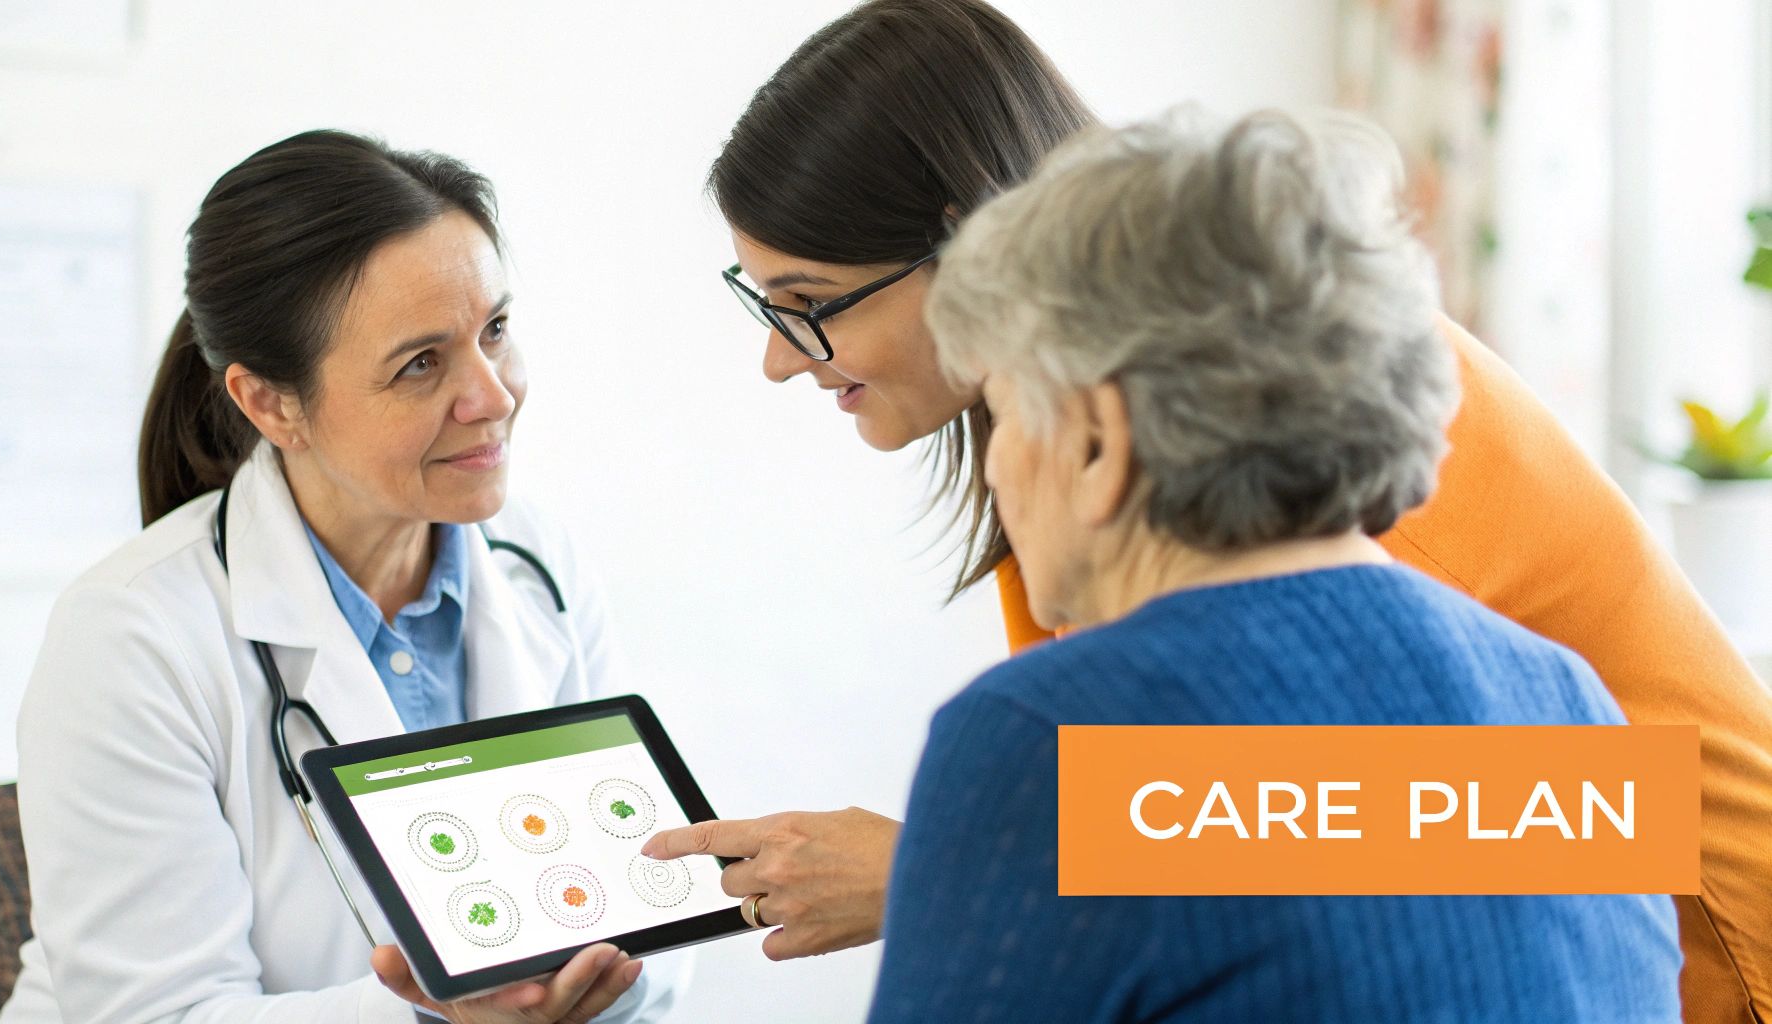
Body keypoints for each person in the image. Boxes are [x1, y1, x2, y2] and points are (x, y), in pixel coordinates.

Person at [643, 1, 1772, 1018]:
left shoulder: (1311, 417)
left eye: (808, 304)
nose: (780, 359)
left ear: (962, 238)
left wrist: (950, 862)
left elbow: (1525, 811)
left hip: (1710, 944)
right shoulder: (1075, 473)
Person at [866, 102, 1683, 1023]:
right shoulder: (1571, 702)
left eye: (1008, 412)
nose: (994, 466)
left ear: (1098, 440)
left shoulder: (1042, 736)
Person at [0, 131, 673, 1023]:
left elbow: (648, 924)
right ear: (271, 403)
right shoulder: (130, 636)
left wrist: (596, 992)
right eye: (420, 363)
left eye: (495, 331)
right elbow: (156, 1013)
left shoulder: (537, 565)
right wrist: (432, 1016)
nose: (494, 395)